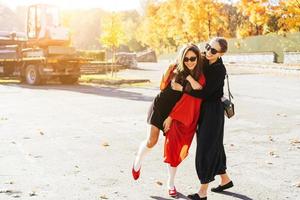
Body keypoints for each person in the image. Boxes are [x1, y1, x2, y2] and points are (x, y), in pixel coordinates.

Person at [132, 44, 205, 197]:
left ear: (197, 58)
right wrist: (179, 80)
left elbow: (197, 90)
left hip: (176, 114)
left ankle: (170, 183)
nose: (189, 61)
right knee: (152, 141)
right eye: (186, 59)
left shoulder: (198, 75)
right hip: (159, 108)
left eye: (193, 58)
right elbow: (163, 86)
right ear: (181, 58)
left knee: (174, 148)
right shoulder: (173, 69)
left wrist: (187, 77)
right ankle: (138, 160)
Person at [172, 37, 233, 200]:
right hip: (204, 109)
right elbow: (188, 65)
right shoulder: (204, 60)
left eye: (213, 50)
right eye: (207, 47)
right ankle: (225, 180)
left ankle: (203, 191)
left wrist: (183, 88)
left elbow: (204, 93)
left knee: (205, 148)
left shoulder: (219, 70)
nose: (208, 51)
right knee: (215, 145)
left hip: (213, 111)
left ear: (221, 54)